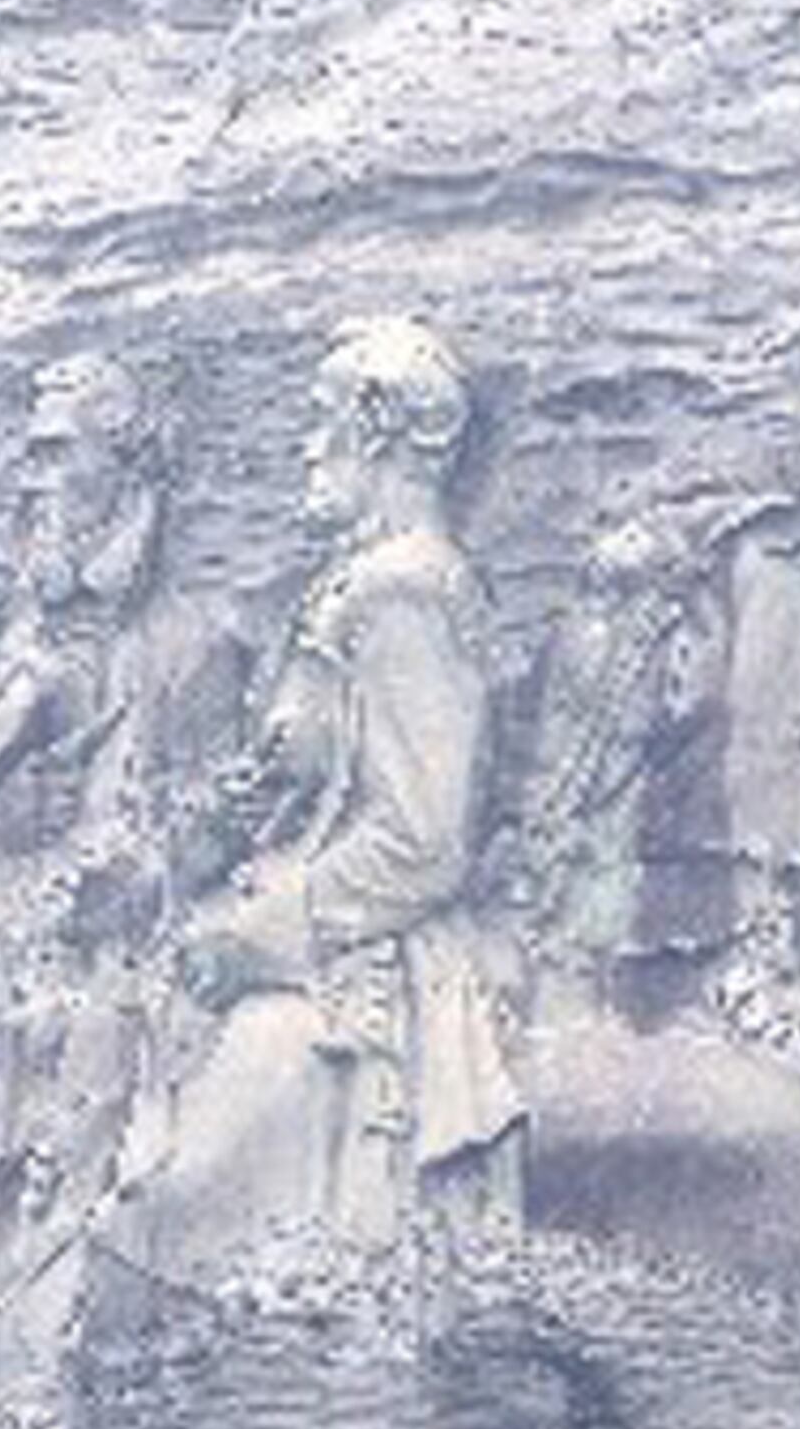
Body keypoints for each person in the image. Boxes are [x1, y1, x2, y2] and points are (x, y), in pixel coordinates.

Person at [117, 317, 525, 1269]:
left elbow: (425, 845)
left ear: (378, 435)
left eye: (323, 420)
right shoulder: (356, 584)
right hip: (320, 935)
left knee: (176, 1201)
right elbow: (294, 787)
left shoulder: (406, 591)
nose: (307, 445)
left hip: (376, 972)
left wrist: (257, 939)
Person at [0, 352, 247, 958]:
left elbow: (220, 836)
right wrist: (5, 816)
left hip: (128, 948)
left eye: (57, 452)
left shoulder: (198, 646)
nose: (34, 480)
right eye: (32, 455)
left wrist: (129, 872)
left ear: (123, 468)